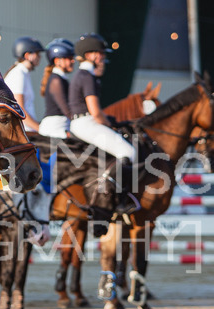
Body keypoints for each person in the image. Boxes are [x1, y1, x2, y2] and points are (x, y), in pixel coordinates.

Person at [67, 33, 140, 215]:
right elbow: (95, 111)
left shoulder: (83, 74)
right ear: (91, 54)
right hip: (87, 122)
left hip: (82, 122)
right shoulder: (87, 76)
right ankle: (118, 199)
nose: (103, 57)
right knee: (128, 152)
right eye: (101, 54)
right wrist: (109, 124)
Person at [4, 36, 44, 132]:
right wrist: (40, 129)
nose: (40, 57)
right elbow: (19, 108)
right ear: (27, 55)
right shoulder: (18, 73)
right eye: (37, 53)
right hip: (23, 130)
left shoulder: (24, 72)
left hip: (27, 129)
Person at [38, 39, 76, 139]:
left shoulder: (61, 78)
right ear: (57, 61)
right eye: (69, 58)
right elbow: (67, 110)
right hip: (55, 128)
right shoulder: (56, 80)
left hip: (63, 125)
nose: (73, 60)